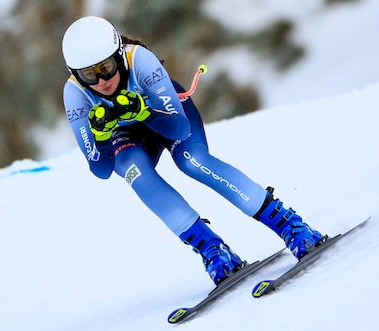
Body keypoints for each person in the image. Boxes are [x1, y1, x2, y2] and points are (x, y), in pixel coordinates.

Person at [62, 16, 325, 285]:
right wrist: (102, 137)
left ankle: (290, 225)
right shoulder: (74, 94)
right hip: (127, 137)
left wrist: (145, 111)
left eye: (106, 67)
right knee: (135, 173)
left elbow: (176, 127)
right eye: (89, 75)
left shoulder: (139, 60)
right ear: (77, 75)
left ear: (118, 55)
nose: (102, 80)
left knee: (192, 160)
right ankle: (213, 250)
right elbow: (102, 169)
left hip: (167, 116)